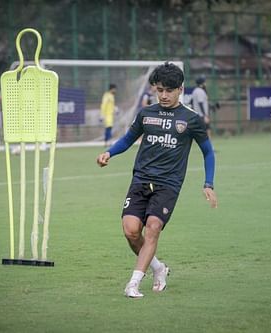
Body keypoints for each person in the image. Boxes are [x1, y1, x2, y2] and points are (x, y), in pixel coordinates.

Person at [96, 62, 217, 298]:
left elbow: (208, 152)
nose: (163, 95)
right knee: (131, 232)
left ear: (180, 89)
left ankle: (133, 284)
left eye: (168, 90)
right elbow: (128, 139)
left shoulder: (191, 119)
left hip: (168, 185)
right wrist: (109, 152)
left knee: (152, 228)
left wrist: (208, 183)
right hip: (141, 180)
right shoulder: (146, 114)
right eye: (159, 90)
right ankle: (158, 268)